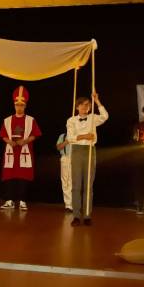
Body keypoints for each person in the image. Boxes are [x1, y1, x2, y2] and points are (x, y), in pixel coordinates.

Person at [66, 92, 108, 226]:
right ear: (77, 107)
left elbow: (105, 116)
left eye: (88, 105)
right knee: (76, 185)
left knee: (88, 185)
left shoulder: (92, 118)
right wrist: (84, 136)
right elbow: (70, 138)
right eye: (83, 105)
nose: (86, 107)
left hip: (90, 150)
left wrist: (97, 101)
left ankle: (88, 215)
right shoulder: (71, 120)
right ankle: (76, 216)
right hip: (77, 150)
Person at [0, 86, 42, 210]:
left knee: (23, 176)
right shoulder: (7, 120)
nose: (19, 107)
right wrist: (9, 141)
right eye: (17, 105)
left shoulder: (30, 120)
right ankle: (9, 200)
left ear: (25, 106)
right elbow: (3, 135)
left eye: (21, 105)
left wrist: (25, 141)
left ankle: (23, 201)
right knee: (9, 175)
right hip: (11, 151)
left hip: (24, 151)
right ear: (14, 105)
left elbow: (35, 134)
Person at [56, 132, 72, 213]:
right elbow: (58, 147)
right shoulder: (63, 135)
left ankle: (76, 203)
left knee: (73, 181)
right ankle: (68, 205)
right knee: (65, 181)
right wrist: (66, 141)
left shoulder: (79, 134)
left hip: (76, 158)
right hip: (65, 158)